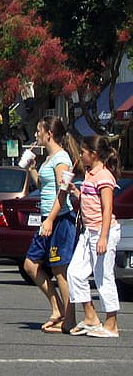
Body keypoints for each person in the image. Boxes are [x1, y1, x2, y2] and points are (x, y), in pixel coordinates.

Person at [21, 115, 81, 333]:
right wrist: (31, 168)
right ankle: (57, 309)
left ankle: (70, 319)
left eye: (39, 130)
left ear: (49, 134)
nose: (36, 134)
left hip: (59, 219)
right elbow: (42, 186)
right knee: (30, 264)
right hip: (47, 218)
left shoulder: (61, 158)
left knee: (59, 269)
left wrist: (50, 219)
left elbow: (62, 192)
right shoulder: (48, 159)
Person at [66, 135, 121, 338]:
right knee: (75, 273)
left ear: (94, 154)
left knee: (103, 278)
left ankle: (111, 323)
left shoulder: (105, 177)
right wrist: (75, 192)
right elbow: (89, 199)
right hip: (88, 231)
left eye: (83, 152)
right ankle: (90, 316)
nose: (81, 156)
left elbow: (107, 209)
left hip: (102, 232)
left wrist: (104, 237)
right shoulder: (90, 174)